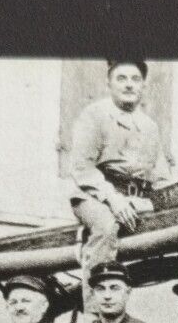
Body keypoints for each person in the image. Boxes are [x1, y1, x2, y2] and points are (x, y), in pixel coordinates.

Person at [67, 59, 170, 291]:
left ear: (143, 85)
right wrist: (114, 199)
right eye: (121, 78)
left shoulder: (149, 126)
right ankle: (97, 314)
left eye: (135, 79)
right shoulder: (94, 115)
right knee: (106, 226)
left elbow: (161, 175)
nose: (129, 85)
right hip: (94, 195)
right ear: (109, 83)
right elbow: (82, 168)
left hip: (137, 200)